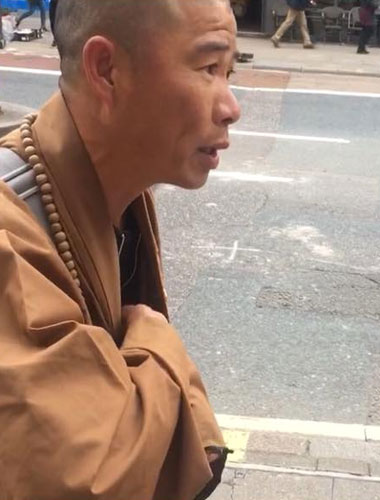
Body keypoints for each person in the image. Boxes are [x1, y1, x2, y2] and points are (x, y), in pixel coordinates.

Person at [0, 0, 240, 498]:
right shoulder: (9, 239)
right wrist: (157, 341)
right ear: (106, 71)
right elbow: (96, 475)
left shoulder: (120, 199)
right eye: (208, 68)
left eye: (230, 72)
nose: (231, 107)